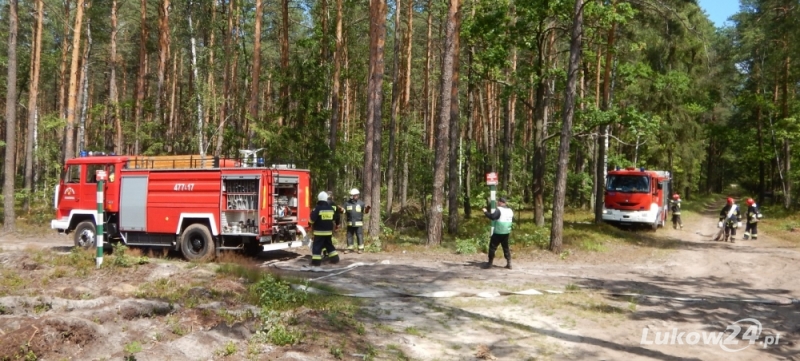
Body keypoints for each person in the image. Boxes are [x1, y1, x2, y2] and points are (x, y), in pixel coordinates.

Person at [481, 197, 514, 269]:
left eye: (498, 202)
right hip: (506, 232)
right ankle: (509, 263)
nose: (497, 203)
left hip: (498, 232)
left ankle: (490, 263)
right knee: (506, 247)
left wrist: (485, 212)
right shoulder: (510, 210)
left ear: (500, 202)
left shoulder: (499, 210)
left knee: (492, 247)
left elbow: (492, 217)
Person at [309, 191, 340, 266]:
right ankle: (335, 258)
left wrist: (310, 223)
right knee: (329, 245)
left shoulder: (317, 208)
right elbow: (335, 217)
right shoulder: (330, 208)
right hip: (328, 232)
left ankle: (316, 262)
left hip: (319, 232)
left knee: (317, 246)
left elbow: (312, 220)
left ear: (319, 199)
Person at [343, 188, 371, 254]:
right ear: (351, 196)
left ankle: (360, 249)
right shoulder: (347, 203)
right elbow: (343, 211)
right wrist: (341, 209)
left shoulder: (361, 203)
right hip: (350, 224)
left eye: (357, 195)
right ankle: (350, 248)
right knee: (349, 236)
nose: (357, 196)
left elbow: (365, 212)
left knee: (359, 236)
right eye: (355, 195)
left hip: (359, 224)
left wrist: (367, 209)